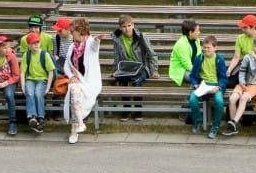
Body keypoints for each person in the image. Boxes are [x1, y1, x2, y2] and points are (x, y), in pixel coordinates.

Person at [63, 17, 103, 145]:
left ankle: (74, 129)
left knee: (76, 92)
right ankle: (79, 123)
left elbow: (94, 46)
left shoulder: (90, 42)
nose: (70, 33)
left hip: (90, 82)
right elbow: (66, 65)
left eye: (72, 30)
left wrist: (97, 40)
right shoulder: (72, 46)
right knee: (73, 89)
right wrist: (71, 76)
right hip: (78, 79)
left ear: (80, 31)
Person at [112, 15, 158, 122]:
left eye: (129, 25)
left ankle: (138, 112)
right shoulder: (117, 39)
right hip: (126, 68)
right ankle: (126, 110)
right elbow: (116, 56)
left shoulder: (141, 36)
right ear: (120, 28)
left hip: (142, 66)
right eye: (124, 26)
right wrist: (115, 70)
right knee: (122, 82)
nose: (127, 28)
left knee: (137, 82)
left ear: (133, 25)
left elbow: (152, 55)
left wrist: (154, 70)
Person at [223, 34, 256, 135]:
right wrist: (242, 82)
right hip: (244, 84)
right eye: (255, 46)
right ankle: (234, 125)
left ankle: (233, 123)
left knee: (243, 98)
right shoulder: (247, 57)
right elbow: (242, 71)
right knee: (232, 98)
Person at [188, 36, 227, 139]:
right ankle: (197, 120)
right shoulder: (199, 58)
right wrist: (195, 83)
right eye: (204, 47)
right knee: (192, 99)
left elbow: (224, 78)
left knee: (219, 101)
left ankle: (215, 126)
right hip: (203, 84)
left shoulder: (220, 60)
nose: (206, 49)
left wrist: (219, 87)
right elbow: (192, 75)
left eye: (208, 47)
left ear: (215, 48)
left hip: (215, 85)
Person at [20, 31, 56, 133]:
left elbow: (50, 72)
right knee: (30, 92)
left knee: (38, 93)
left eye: (37, 42)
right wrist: (23, 86)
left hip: (42, 80)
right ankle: (32, 116)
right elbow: (22, 72)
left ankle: (41, 118)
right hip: (30, 79)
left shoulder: (45, 55)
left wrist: (48, 86)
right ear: (28, 45)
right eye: (33, 43)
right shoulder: (26, 55)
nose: (36, 44)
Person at [228, 14, 256, 78]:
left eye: (245, 27)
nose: (243, 30)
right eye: (242, 27)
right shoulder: (240, 38)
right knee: (228, 79)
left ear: (253, 27)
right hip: (243, 66)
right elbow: (236, 58)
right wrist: (230, 69)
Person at [168, 19, 201, 87]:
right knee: (198, 77)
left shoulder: (196, 40)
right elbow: (187, 65)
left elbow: (199, 57)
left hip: (192, 68)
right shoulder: (181, 44)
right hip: (181, 70)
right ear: (190, 33)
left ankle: (192, 97)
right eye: (197, 31)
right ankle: (191, 97)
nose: (199, 32)